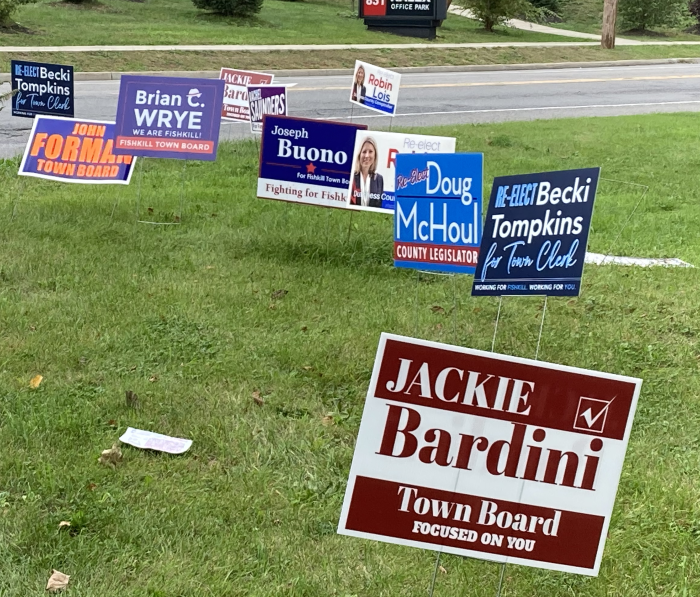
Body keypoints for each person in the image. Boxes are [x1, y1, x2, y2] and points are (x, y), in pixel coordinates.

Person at [350, 136, 384, 208]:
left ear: (375, 155)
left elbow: (378, 206)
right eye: (364, 151)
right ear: (359, 154)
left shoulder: (379, 179)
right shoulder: (351, 176)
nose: (367, 155)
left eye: (370, 152)